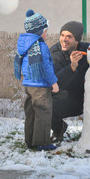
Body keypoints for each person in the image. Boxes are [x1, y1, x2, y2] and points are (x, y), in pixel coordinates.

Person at [50, 21, 90, 142]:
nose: (64, 39)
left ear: (77, 40)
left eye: (69, 36)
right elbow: (56, 83)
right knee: (47, 103)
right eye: (62, 35)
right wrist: (72, 66)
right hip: (66, 98)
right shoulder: (54, 53)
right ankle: (59, 129)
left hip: (88, 96)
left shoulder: (88, 49)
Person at [14, 9, 59, 151]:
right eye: (45, 30)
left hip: (29, 84)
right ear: (39, 31)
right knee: (43, 113)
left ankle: (30, 141)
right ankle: (42, 142)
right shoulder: (40, 46)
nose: (46, 33)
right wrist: (54, 82)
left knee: (31, 113)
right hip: (40, 85)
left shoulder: (25, 45)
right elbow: (46, 67)